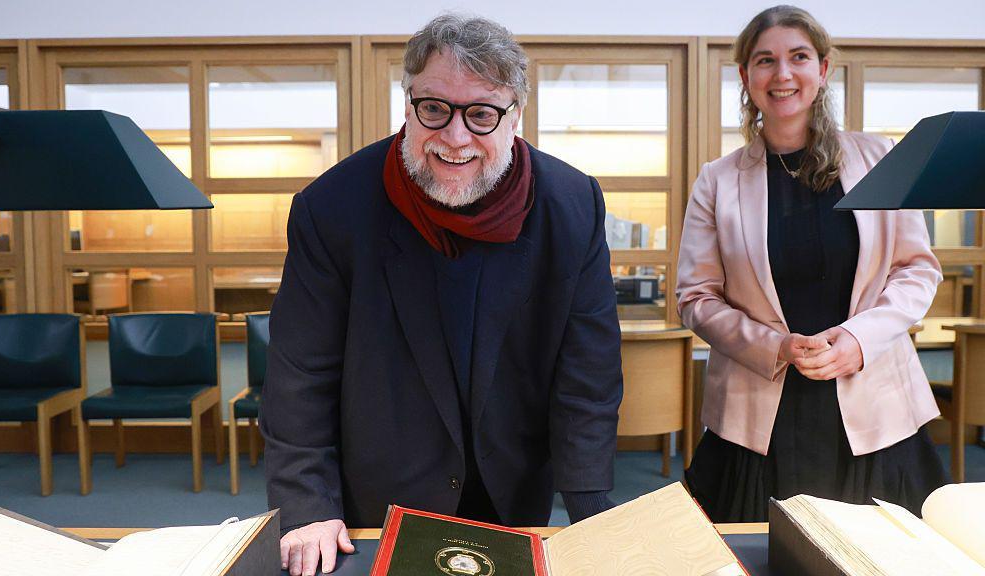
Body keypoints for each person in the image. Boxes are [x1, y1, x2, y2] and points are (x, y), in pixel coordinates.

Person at [261, 13, 623, 576]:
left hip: (515, 488)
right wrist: (307, 506)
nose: (455, 138)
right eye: (434, 109)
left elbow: (589, 375)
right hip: (381, 495)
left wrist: (591, 507)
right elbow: (300, 374)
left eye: (480, 114)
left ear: (515, 117)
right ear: (408, 104)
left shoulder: (572, 206)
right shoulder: (333, 207)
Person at [676, 5, 948, 524]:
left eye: (798, 57)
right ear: (745, 76)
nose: (783, 75)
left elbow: (917, 270)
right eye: (765, 61)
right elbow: (695, 297)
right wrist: (773, 346)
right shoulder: (717, 180)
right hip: (758, 412)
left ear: (822, 70)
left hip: (874, 406)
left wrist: (859, 340)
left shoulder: (880, 158)